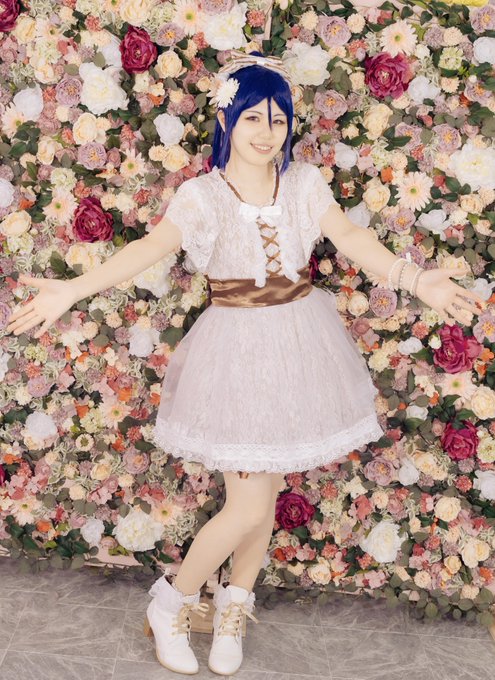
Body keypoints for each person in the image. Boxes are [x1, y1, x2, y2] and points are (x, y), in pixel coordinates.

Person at [5, 50, 486, 677]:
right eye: (253, 118)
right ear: (227, 120)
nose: (267, 133)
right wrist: (72, 289)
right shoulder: (203, 196)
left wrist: (415, 279)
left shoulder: (304, 184)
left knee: (269, 486)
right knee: (251, 505)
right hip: (235, 352)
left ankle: (233, 605)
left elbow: (351, 237)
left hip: (299, 344)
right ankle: (171, 602)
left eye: (278, 120)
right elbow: (150, 248)